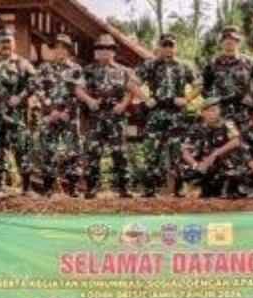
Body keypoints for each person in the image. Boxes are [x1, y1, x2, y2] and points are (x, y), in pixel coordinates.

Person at [76, 35, 139, 198]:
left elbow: (132, 90)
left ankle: (124, 188)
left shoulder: (125, 71)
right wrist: (89, 100)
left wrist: (123, 105)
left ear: (113, 51)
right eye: (100, 48)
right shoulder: (88, 70)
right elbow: (78, 89)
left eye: (107, 48)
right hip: (96, 116)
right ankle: (92, 188)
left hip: (116, 116)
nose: (103, 51)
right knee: (93, 152)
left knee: (120, 152)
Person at [136, 33, 197, 197]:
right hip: (156, 112)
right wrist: (145, 98)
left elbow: (199, 85)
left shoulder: (184, 66)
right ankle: (150, 189)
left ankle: (179, 188)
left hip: (176, 114)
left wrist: (187, 99)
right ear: (159, 47)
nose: (168, 49)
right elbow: (132, 83)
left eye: (171, 45)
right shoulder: (150, 65)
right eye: (165, 45)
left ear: (176, 47)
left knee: (178, 150)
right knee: (151, 151)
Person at [0, 28, 36, 194]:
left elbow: (34, 83)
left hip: (17, 116)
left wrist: (20, 97)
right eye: (2, 42)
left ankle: (27, 188)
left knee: (22, 150)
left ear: (14, 44)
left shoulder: (23, 63)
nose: (5, 45)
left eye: (8, 41)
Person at [33, 34, 84, 196]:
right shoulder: (43, 68)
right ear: (53, 50)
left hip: (69, 116)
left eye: (64, 47)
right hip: (49, 116)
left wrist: (66, 111)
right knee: (48, 150)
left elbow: (79, 92)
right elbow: (38, 89)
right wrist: (50, 110)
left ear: (69, 50)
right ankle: (48, 188)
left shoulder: (76, 69)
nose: (60, 50)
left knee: (72, 151)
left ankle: (73, 188)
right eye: (57, 47)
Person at [179, 98, 245, 198]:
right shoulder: (195, 128)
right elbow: (185, 151)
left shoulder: (227, 124)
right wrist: (196, 165)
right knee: (185, 169)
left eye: (214, 110)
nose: (211, 114)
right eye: (208, 111)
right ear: (202, 113)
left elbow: (236, 141)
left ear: (219, 111)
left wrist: (215, 154)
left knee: (232, 172)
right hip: (203, 165)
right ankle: (194, 188)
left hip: (221, 164)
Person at [201, 26, 253, 133]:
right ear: (221, 42)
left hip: (244, 113)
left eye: (233, 39)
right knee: (223, 144)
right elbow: (205, 88)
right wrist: (215, 103)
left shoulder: (249, 62)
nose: (229, 41)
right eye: (225, 39)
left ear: (239, 41)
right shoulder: (213, 63)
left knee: (245, 143)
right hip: (221, 114)